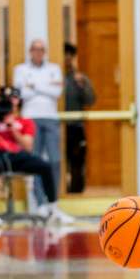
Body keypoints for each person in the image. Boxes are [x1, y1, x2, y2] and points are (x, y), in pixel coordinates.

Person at [0, 86, 74, 227]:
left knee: (45, 166)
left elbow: (28, 146)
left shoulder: (25, 122)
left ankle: (53, 207)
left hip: (17, 155)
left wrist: (13, 128)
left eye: (14, 99)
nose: (11, 101)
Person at [13, 39, 64, 208]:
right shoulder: (21, 70)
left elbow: (57, 92)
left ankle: (53, 201)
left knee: (55, 159)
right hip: (30, 117)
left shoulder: (54, 69)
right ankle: (40, 202)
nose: (38, 52)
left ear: (45, 52)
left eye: (41, 49)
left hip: (50, 117)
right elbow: (22, 94)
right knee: (35, 160)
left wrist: (34, 85)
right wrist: (46, 86)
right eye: (35, 49)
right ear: (30, 51)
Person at [63, 42, 96, 193]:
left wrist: (82, 86)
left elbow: (91, 100)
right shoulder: (54, 78)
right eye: (64, 55)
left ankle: (76, 192)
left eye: (69, 56)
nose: (66, 59)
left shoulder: (79, 78)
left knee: (77, 162)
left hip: (75, 126)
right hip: (59, 127)